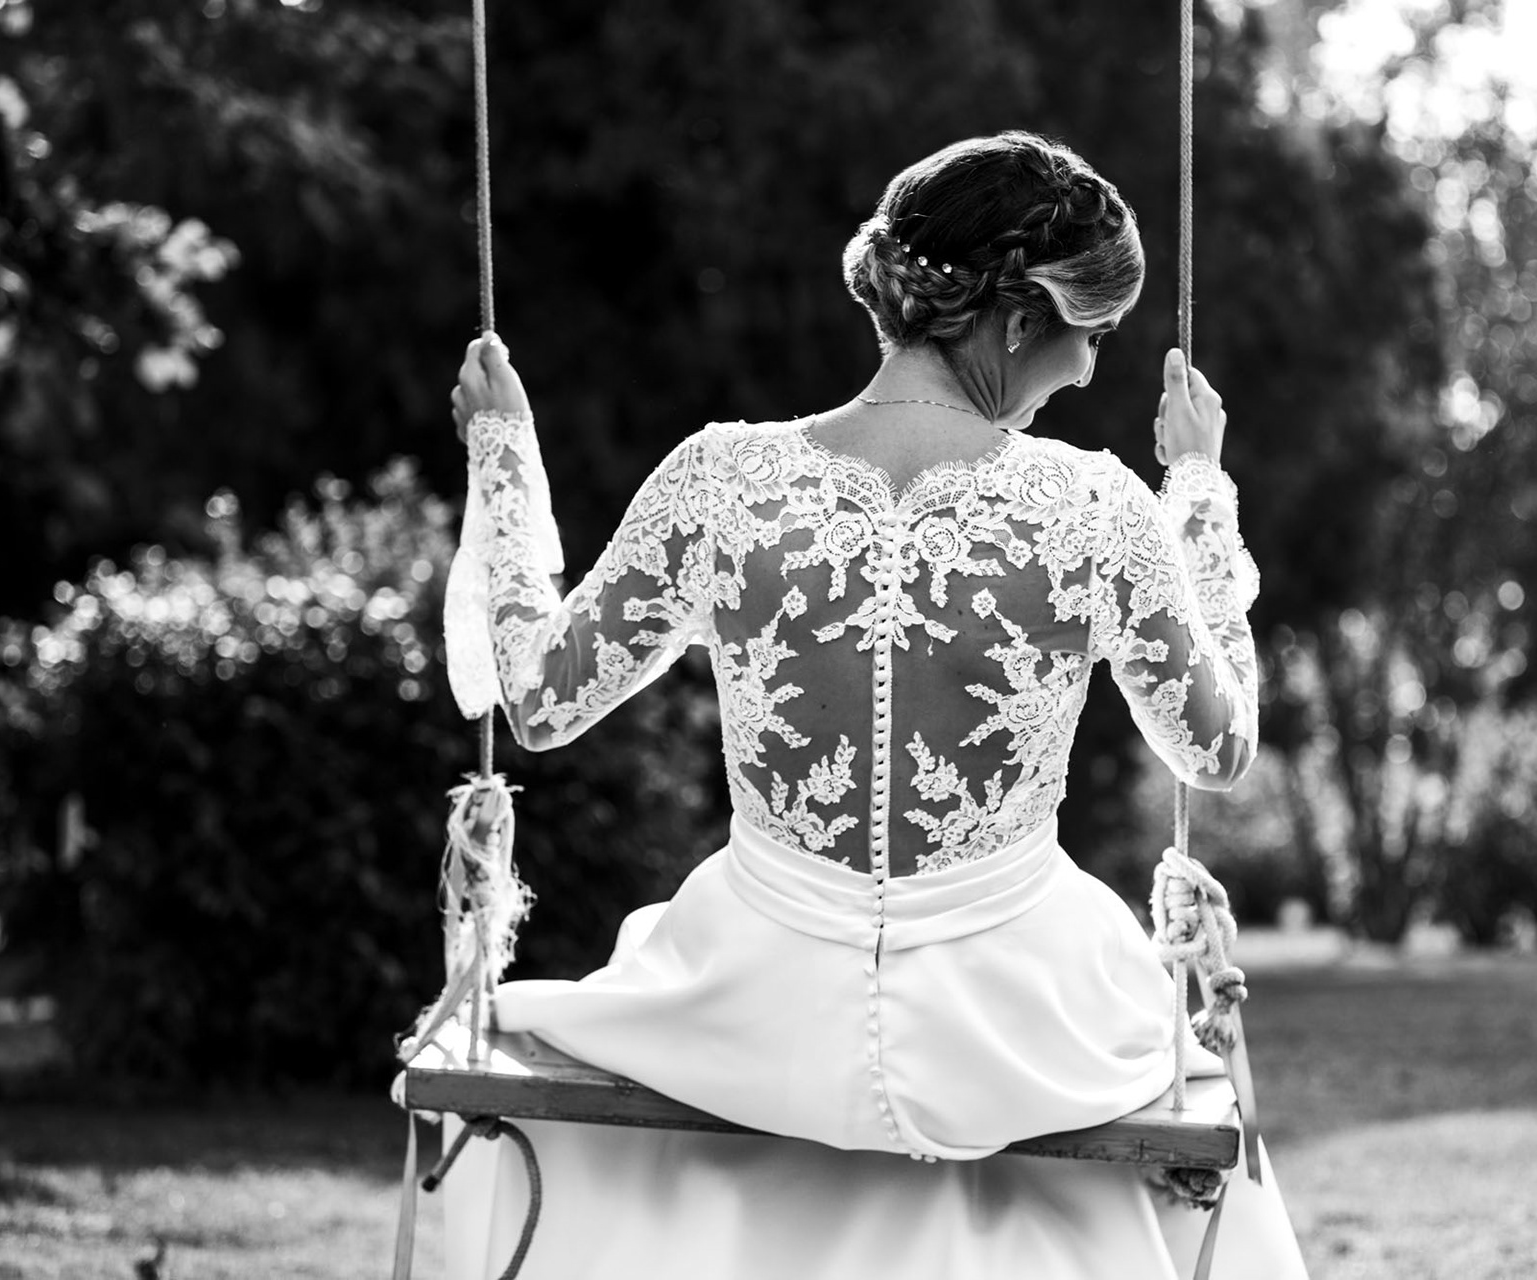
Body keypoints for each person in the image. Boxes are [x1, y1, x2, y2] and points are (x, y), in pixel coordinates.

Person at [441, 131, 1304, 1279]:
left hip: (751, 1013)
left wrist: (503, 459)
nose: (1092, 372)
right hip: (1018, 1032)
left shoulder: (722, 482)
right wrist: (1197, 491)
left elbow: (539, 700)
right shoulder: (1096, 507)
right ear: (1017, 322)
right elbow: (1220, 745)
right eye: (1092, 335)